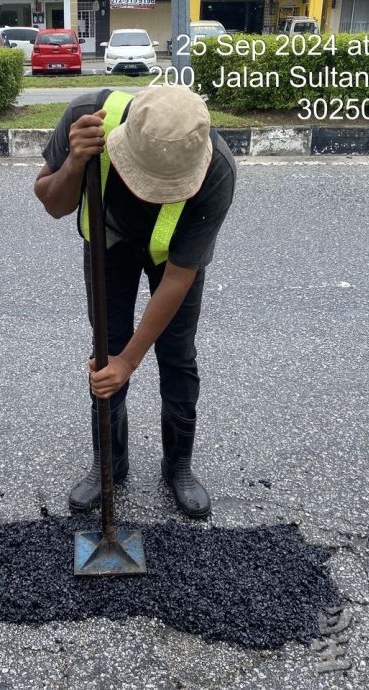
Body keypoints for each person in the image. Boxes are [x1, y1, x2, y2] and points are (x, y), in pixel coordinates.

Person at [34, 86, 236, 518]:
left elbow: (180, 276)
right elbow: (53, 203)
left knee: (177, 355)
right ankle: (110, 463)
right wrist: (74, 162)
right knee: (106, 351)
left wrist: (131, 361)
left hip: (172, 258)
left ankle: (178, 464)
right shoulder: (86, 116)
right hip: (110, 243)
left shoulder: (216, 169)